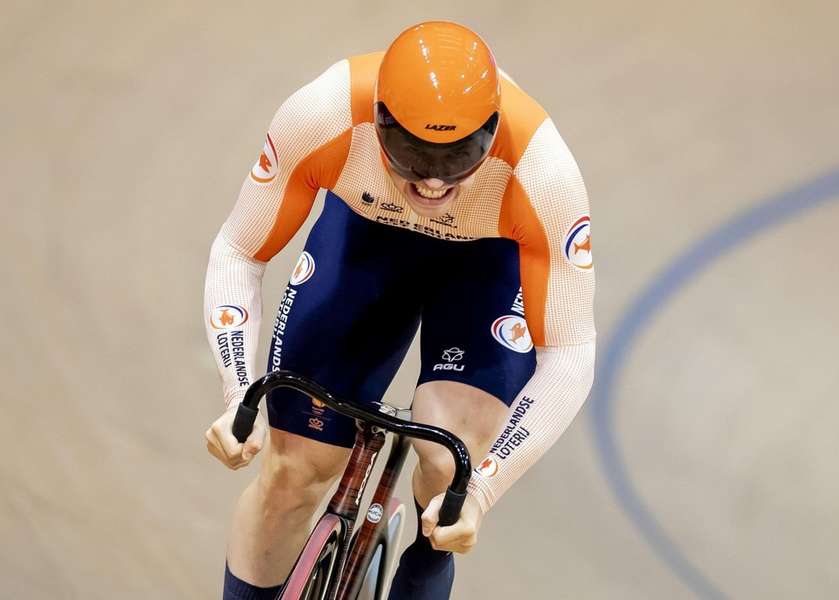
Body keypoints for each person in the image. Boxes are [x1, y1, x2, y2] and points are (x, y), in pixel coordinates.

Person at [203, 20, 595, 600]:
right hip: (369, 240)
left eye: (460, 156)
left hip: (483, 265)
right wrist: (240, 393)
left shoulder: (544, 174)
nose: (433, 182)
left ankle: (426, 566)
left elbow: (569, 352)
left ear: (492, 132)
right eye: (411, 156)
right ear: (379, 120)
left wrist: (479, 493)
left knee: (446, 470)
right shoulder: (326, 113)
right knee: (291, 474)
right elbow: (239, 249)